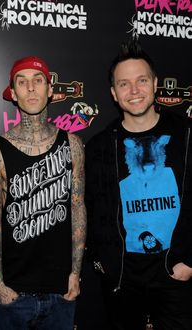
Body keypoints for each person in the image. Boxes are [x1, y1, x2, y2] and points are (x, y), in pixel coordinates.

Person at [85, 40, 192, 330]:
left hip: (177, 273)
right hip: (123, 279)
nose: (133, 91)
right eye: (124, 84)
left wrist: (190, 261)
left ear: (155, 84)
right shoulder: (99, 148)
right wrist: (104, 263)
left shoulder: (187, 135)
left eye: (141, 80)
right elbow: (91, 211)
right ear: (113, 93)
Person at [0, 56, 87, 329]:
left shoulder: (72, 144)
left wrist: (75, 272)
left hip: (61, 290)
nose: (31, 88)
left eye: (38, 80)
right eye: (22, 81)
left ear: (50, 90)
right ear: (13, 94)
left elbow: (77, 209)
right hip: (14, 293)